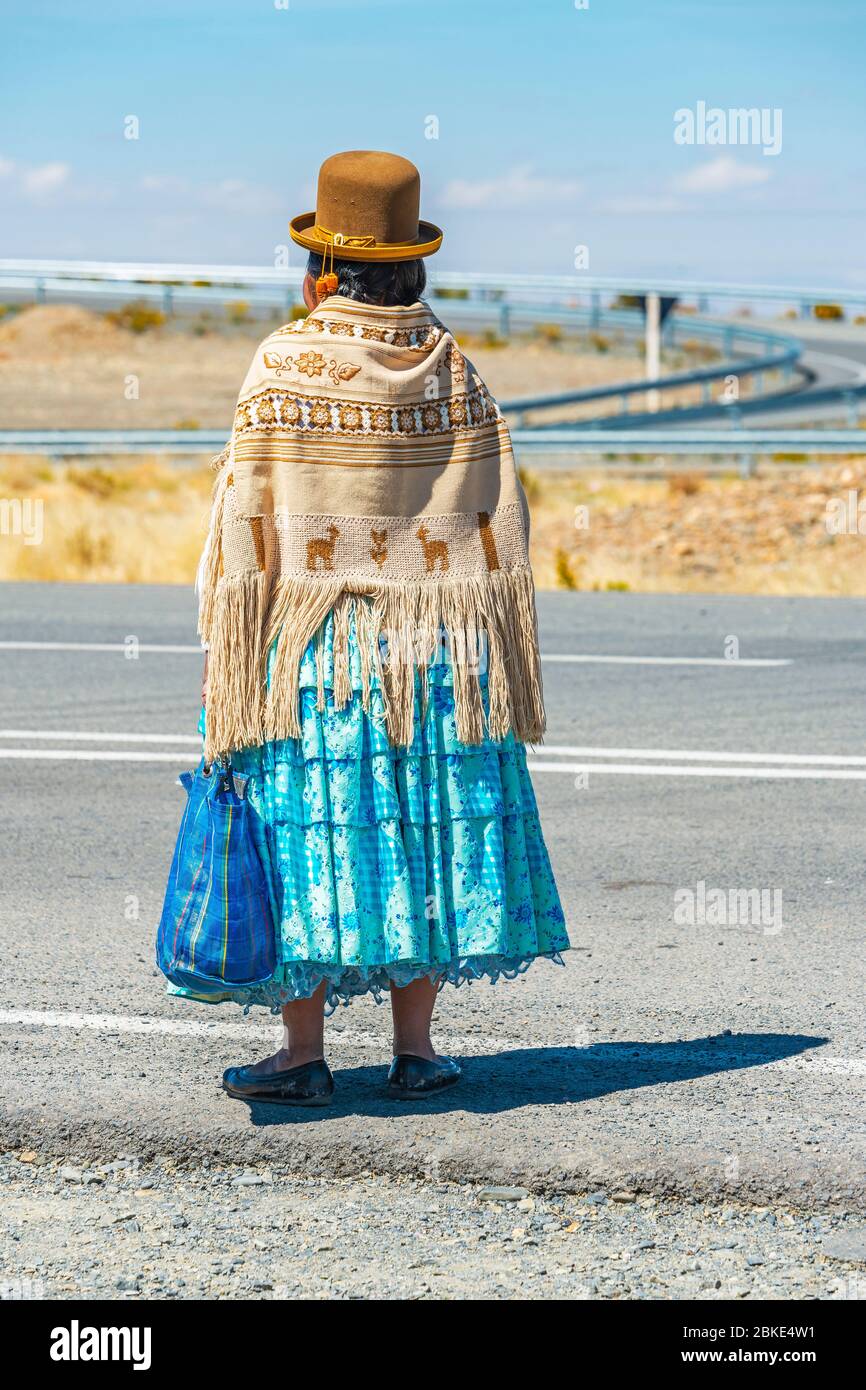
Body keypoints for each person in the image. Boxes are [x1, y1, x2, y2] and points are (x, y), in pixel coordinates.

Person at [178, 150, 569, 1104]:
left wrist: (233, 653)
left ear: (321, 271)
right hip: (438, 654)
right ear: (415, 265)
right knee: (423, 828)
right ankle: (417, 1050)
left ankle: (302, 1057)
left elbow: (245, 519)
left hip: (313, 653)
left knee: (313, 831)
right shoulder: (460, 373)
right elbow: (494, 520)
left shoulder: (283, 364)